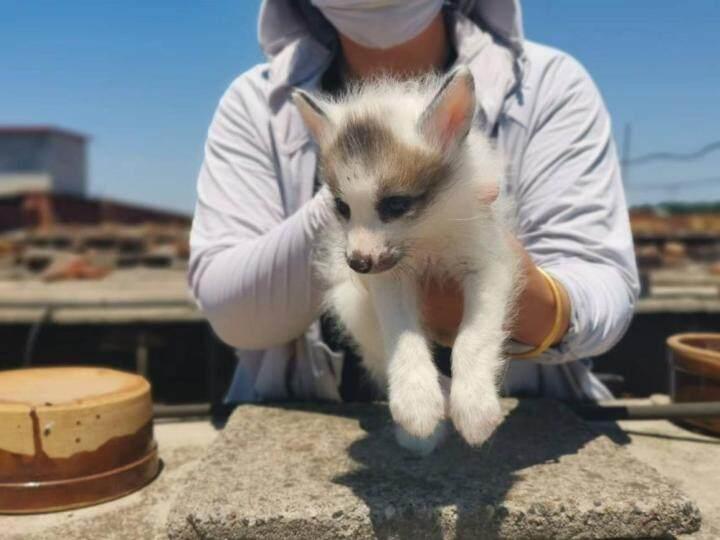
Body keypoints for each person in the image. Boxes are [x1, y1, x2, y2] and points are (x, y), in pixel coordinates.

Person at [189, 0, 640, 404]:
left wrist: (526, 297)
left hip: (528, 414)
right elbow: (230, 313)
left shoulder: (549, 84)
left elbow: (605, 287)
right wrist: (344, 201)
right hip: (315, 417)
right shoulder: (254, 101)